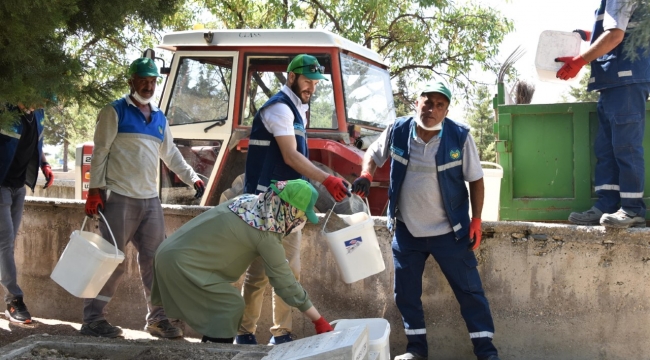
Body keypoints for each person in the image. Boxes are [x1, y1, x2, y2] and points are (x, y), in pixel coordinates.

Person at [352, 82, 500, 360]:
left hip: (451, 232)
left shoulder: (459, 136)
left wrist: (477, 219)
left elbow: (476, 179)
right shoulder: (398, 130)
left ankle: (486, 352)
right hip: (407, 231)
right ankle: (416, 351)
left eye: (439, 105)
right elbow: (373, 153)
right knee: (406, 295)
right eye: (427, 102)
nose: (431, 109)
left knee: (470, 293)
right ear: (417, 102)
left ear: (446, 110)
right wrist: (367, 175)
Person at [82, 57, 205, 339]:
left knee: (156, 260)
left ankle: (157, 319)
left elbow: (171, 154)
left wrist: (192, 177)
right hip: (118, 198)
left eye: (152, 82)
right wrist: (94, 191)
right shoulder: (114, 112)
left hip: (150, 201)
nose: (148, 86)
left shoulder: (159, 117)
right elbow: (100, 152)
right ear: (131, 82)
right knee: (110, 259)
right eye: (143, 81)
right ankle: (92, 320)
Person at [238, 54, 349, 345]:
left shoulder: (298, 108)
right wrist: (327, 178)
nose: (311, 87)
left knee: (290, 271)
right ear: (291, 77)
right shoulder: (279, 108)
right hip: (266, 205)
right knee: (260, 274)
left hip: (288, 206)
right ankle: (244, 333)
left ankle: (282, 333)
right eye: (307, 81)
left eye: (315, 83)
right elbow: (289, 155)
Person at [151, 179, 334, 343]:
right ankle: (216, 354)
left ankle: (211, 349)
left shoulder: (248, 202)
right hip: (182, 265)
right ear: (290, 210)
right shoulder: (266, 234)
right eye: (301, 216)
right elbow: (285, 283)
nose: (300, 222)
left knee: (222, 310)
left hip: (168, 253)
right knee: (229, 306)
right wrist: (318, 320)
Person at [559, 0, 650, 228]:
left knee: (626, 147)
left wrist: (579, 61)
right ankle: (608, 204)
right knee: (607, 150)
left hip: (626, 80)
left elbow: (615, 37)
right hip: (612, 83)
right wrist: (587, 35)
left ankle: (632, 208)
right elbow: (621, 31)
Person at [0, 104, 54, 324]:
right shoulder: (5, 110)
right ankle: (14, 300)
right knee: (4, 242)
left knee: (8, 244)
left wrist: (44, 163)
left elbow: (36, 143)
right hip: (1, 186)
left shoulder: (38, 114)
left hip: (18, 187)